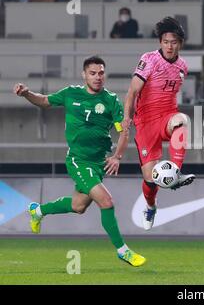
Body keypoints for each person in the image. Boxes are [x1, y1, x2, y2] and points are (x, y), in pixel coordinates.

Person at [13, 56, 146, 267]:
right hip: (78, 160)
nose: (97, 77)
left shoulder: (111, 101)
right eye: (93, 73)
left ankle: (37, 210)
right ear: (84, 75)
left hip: (98, 163)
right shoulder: (70, 93)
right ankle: (123, 251)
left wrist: (117, 156)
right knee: (106, 201)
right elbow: (45, 101)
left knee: (78, 206)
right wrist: (27, 93)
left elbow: (123, 132)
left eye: (101, 73)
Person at [122, 17, 195, 231]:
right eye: (165, 42)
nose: (169, 46)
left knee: (182, 121)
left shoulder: (182, 66)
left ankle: (176, 172)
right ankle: (151, 207)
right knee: (150, 178)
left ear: (180, 43)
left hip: (166, 116)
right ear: (160, 43)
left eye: (173, 42)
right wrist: (127, 117)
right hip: (145, 123)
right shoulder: (149, 60)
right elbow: (133, 91)